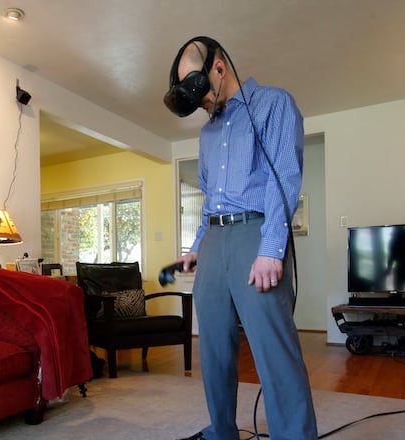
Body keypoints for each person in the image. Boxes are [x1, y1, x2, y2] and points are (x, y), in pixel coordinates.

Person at [164, 36, 317, 440]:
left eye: (200, 91)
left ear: (219, 67)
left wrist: (271, 249)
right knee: (213, 348)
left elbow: (282, 178)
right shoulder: (207, 135)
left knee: (273, 351)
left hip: (257, 234)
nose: (201, 103)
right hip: (214, 242)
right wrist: (197, 248)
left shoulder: (274, 103)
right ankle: (222, 431)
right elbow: (210, 199)